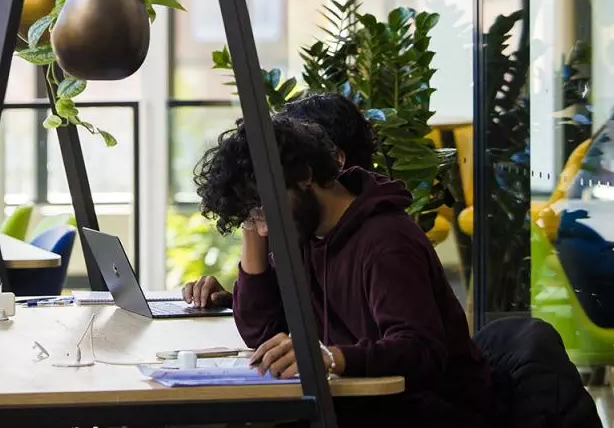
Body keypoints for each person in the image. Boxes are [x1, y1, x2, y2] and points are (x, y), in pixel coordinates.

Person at [194, 115, 491, 428]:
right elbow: (262, 334)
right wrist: (252, 225)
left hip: (426, 414)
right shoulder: (306, 232)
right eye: (251, 218)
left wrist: (332, 357)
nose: (264, 229)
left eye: (264, 209)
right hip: (357, 409)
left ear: (306, 174)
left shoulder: (386, 242)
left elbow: (421, 351)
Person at [182, 93, 376, 309]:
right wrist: (249, 207)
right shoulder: (308, 236)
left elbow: (406, 339)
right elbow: (266, 325)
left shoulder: (376, 242)